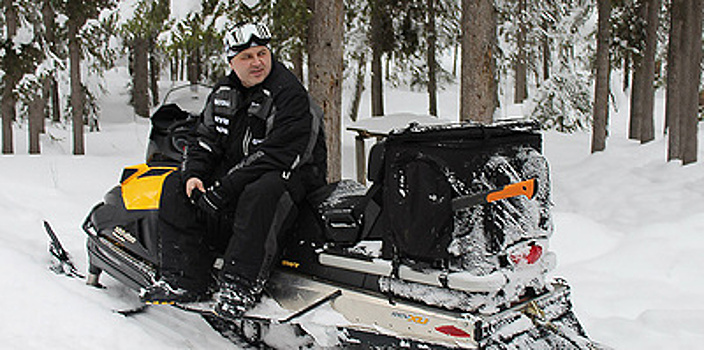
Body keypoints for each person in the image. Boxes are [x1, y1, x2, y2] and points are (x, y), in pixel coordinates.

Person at [140, 22, 327, 319]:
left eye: (262, 53)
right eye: (247, 57)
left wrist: (225, 188)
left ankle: (239, 286)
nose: (257, 62)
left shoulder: (289, 94)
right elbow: (204, 137)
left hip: (292, 177)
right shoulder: (224, 91)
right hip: (242, 173)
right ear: (231, 62)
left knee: (263, 190)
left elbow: (278, 155)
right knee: (176, 183)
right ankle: (184, 279)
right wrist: (194, 174)